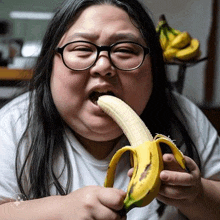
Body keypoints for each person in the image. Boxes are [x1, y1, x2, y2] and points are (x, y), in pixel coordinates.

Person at [0, 0, 219, 219]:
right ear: (50, 66)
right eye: (82, 48)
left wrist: (198, 195)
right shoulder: (13, 126)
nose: (104, 66)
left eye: (124, 50)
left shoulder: (185, 118)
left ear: (153, 69)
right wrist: (56, 210)